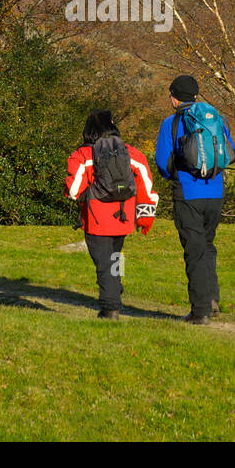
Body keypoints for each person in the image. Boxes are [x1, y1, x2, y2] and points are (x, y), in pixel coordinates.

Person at [155, 75, 235, 325]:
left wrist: (176, 177)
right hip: (215, 192)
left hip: (188, 193)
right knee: (207, 245)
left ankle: (200, 311)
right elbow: (230, 152)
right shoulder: (217, 119)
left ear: (174, 97)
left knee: (194, 250)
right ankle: (211, 299)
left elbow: (162, 162)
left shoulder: (172, 122)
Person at [65, 109, 158, 319]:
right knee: (116, 257)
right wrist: (145, 217)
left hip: (97, 218)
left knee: (104, 262)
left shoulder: (83, 155)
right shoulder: (131, 152)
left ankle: (110, 307)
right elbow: (146, 183)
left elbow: (73, 190)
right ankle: (116, 289)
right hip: (124, 217)